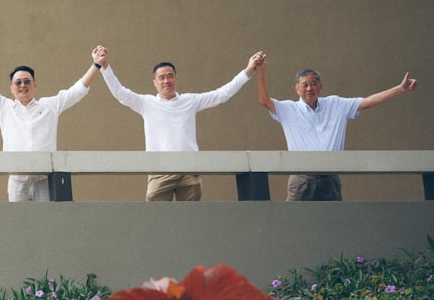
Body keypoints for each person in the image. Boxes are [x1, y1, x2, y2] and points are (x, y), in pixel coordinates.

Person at [98, 48, 266, 201]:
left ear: (176, 78)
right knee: (155, 219)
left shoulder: (190, 100)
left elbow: (222, 94)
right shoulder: (145, 103)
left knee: (190, 220)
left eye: (170, 76)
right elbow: (120, 93)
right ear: (154, 83)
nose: (166, 81)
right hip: (159, 171)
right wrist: (105, 66)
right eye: (161, 77)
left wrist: (249, 70)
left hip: (189, 170)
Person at [256, 59, 418, 201]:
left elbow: (367, 102)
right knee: (294, 223)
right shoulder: (288, 109)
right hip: (301, 178)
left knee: (334, 224)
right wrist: (260, 72)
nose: (309, 88)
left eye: (313, 84)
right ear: (297, 89)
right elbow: (264, 100)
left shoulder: (336, 104)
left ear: (321, 86)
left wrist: (400, 89)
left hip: (330, 177)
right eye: (304, 85)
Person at [0, 42, 104, 201]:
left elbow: (77, 91)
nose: (22, 85)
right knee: (18, 223)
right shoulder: (4, 107)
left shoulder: (49, 106)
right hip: (17, 181)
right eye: (18, 82)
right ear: (11, 88)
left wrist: (96, 64)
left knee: (46, 223)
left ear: (35, 85)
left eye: (27, 81)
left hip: (44, 180)